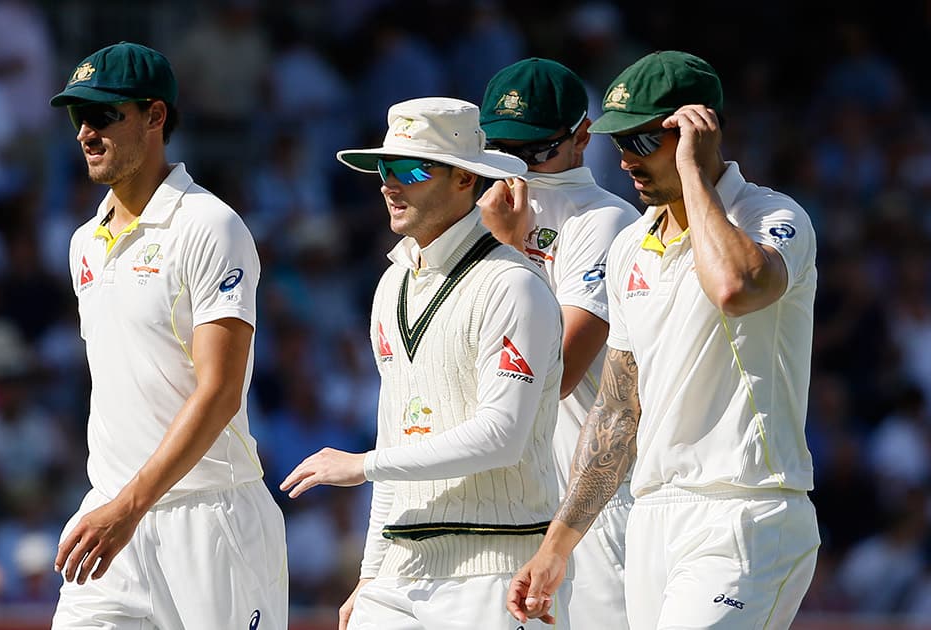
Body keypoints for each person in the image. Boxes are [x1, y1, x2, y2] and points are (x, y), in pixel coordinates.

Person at [507, 50, 821, 629]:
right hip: (652, 516)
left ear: (698, 133)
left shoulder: (773, 216)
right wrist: (558, 544)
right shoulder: (630, 245)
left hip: (745, 508)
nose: (626, 160)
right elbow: (619, 411)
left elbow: (735, 287)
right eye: (619, 143)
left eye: (645, 142)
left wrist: (696, 175)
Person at [279, 97, 565, 629]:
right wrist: (369, 574)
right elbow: (395, 432)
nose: (390, 184)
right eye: (384, 168)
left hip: (496, 571)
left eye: (409, 169)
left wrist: (361, 465)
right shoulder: (392, 285)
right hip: (399, 571)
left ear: (464, 179)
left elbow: (501, 436)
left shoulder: (513, 285)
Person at [47, 42, 287, 629]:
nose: (85, 133)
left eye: (104, 115)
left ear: (155, 117)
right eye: (79, 117)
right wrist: (119, 506)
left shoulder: (210, 226)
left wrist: (129, 506)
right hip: (112, 516)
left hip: (211, 516)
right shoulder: (83, 241)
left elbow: (221, 391)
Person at [477, 57, 638, 629]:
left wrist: (505, 251)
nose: (518, 167)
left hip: (588, 503)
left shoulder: (606, 221)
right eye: (500, 149)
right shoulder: (479, 210)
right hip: (512, 501)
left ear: (581, 138)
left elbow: (558, 372)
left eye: (536, 151)